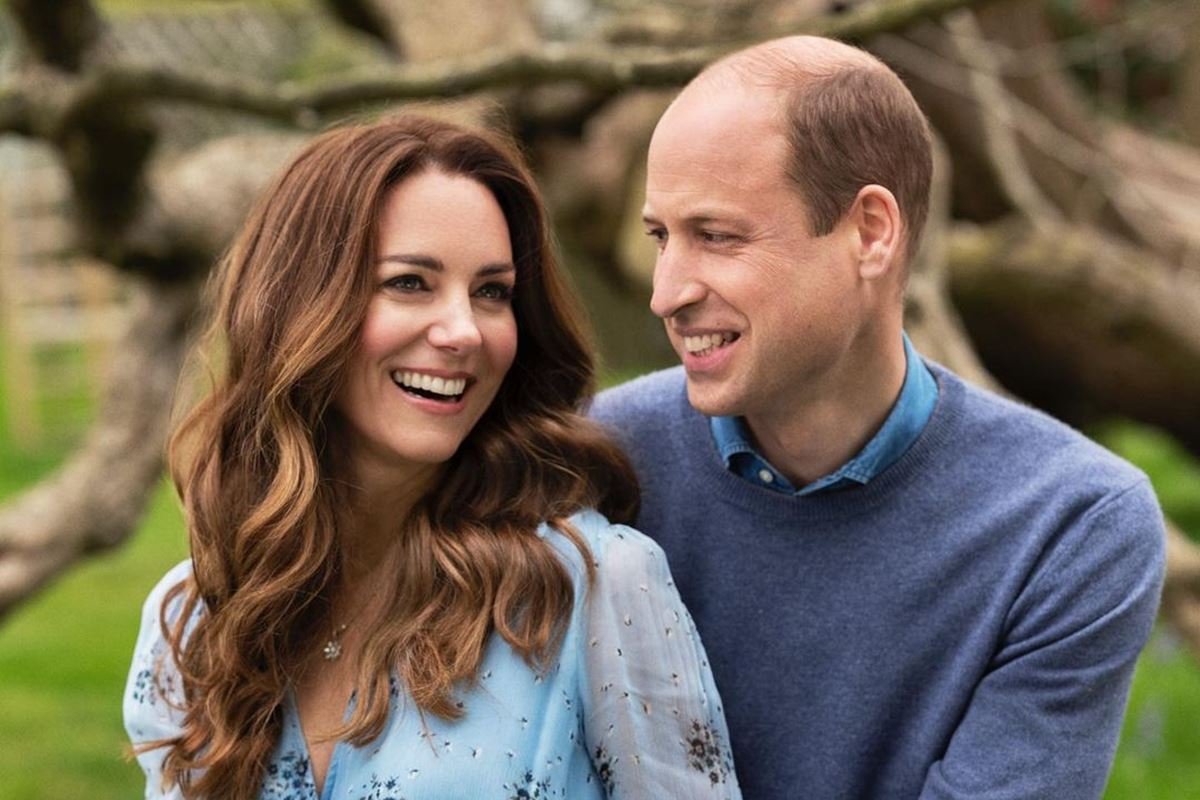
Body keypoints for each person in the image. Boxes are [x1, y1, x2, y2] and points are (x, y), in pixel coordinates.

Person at [591, 35, 1165, 799]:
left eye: (717, 236)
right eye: (661, 237)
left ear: (870, 232)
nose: (666, 293)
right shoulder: (597, 461)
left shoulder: (1070, 526)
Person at [124, 115, 741, 800]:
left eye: (491, 292)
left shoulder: (593, 589)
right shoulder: (195, 619)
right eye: (411, 283)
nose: (461, 332)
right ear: (299, 306)